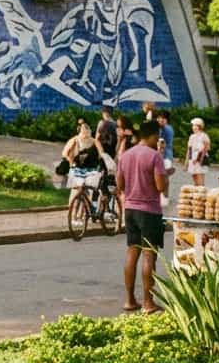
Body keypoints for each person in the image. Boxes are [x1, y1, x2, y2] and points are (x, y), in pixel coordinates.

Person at [116, 120, 168, 314]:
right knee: (149, 254)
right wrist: (166, 175)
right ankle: (148, 302)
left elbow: (120, 184)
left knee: (132, 251)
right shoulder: (155, 156)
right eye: (158, 137)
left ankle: (129, 300)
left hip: (130, 209)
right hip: (149, 210)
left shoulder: (126, 155)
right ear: (153, 135)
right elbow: (160, 186)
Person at [61, 119, 105, 207]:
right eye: (84, 131)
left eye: (87, 130)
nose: (86, 133)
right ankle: (73, 215)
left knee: (88, 191)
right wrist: (70, 160)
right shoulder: (75, 140)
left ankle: (83, 214)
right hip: (76, 168)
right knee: (75, 192)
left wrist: (101, 163)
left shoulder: (94, 141)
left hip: (91, 169)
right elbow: (64, 153)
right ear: (80, 131)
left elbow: (102, 153)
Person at [155, 110, 175, 206]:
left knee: (165, 177)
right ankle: (160, 196)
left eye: (163, 118)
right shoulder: (158, 128)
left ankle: (165, 196)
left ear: (167, 120)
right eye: (159, 118)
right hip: (159, 155)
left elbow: (162, 144)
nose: (160, 120)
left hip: (166, 156)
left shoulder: (167, 129)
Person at [185, 117, 210, 187]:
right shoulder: (192, 136)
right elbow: (189, 149)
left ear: (199, 126)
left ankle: (201, 195)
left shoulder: (204, 136)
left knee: (200, 178)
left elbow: (207, 148)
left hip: (200, 159)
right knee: (194, 178)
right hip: (192, 158)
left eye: (194, 125)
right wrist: (186, 161)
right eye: (193, 125)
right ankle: (196, 194)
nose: (193, 127)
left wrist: (199, 158)